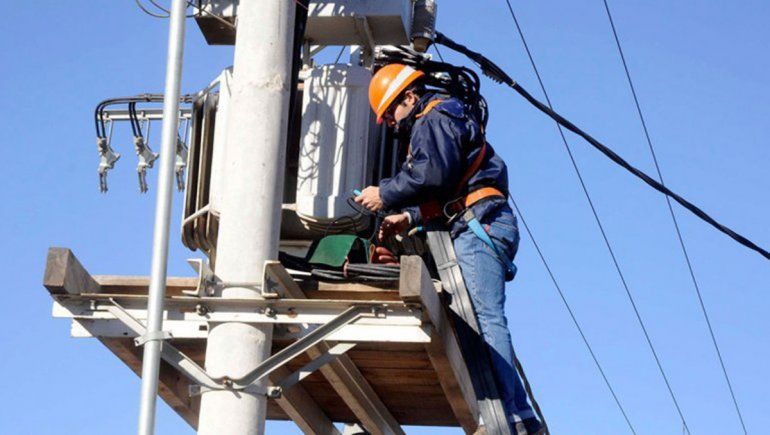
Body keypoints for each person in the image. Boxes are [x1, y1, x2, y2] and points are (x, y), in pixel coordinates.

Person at [354, 63, 544, 435]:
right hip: (476, 219)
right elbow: (446, 187)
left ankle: (515, 419)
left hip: (479, 223)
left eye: (391, 112)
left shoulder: (434, 116)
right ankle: (512, 414)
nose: (392, 124)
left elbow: (433, 175)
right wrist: (409, 218)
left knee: (484, 320)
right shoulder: (440, 115)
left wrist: (385, 193)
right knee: (475, 320)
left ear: (409, 96)